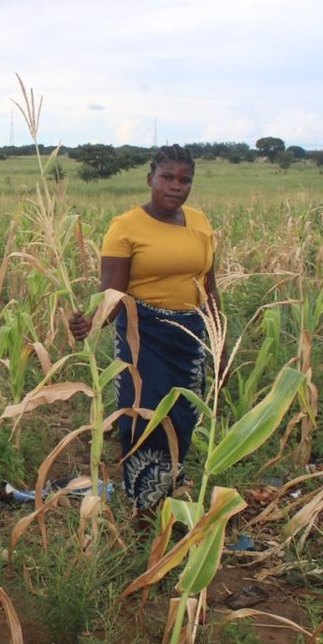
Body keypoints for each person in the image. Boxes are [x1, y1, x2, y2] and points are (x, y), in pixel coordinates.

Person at [70, 144, 224, 516]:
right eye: (168, 177)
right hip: (144, 336)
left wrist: (220, 340)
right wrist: (90, 323)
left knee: (184, 414)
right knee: (145, 414)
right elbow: (112, 293)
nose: (176, 186)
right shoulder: (126, 228)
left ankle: (169, 485)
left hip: (191, 334)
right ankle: (143, 502)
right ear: (150, 179)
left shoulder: (200, 222)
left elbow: (210, 285)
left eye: (185, 180)